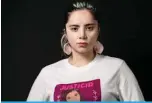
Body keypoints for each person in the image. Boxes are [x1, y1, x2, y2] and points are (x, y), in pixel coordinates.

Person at [27, 0, 144, 101]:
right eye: (74, 28)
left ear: (98, 30)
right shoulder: (48, 74)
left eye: (89, 28)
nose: (82, 35)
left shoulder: (117, 68)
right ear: (65, 32)